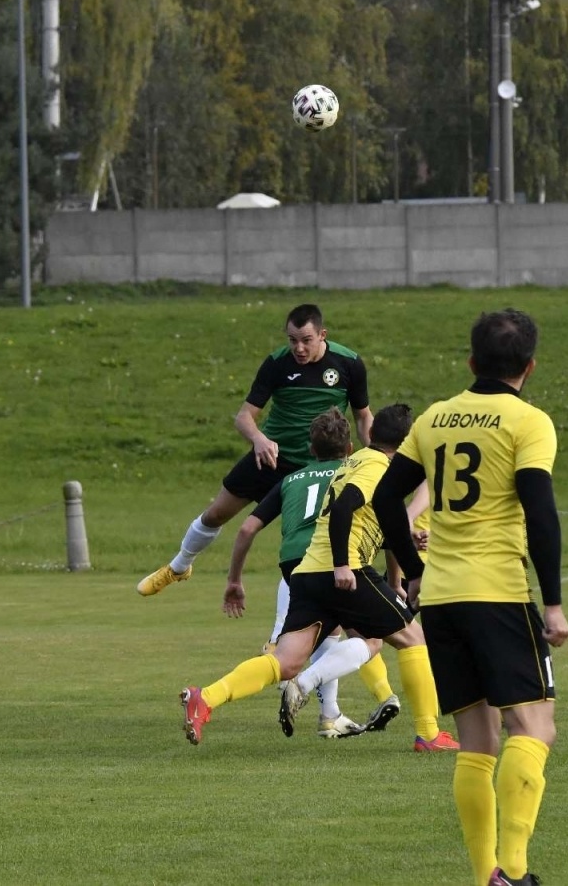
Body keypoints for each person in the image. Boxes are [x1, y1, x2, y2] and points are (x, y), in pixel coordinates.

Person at [371, 308, 568, 886]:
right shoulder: (527, 421)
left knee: (477, 741)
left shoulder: (434, 418)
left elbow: (387, 500)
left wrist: (410, 570)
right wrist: (552, 603)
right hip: (499, 594)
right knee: (534, 729)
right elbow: (541, 512)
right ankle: (514, 870)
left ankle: (486, 876)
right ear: (529, 367)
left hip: (442, 598)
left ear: (470, 362)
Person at [180, 405, 455, 752]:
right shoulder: (378, 466)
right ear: (405, 443)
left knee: (285, 661)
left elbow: (373, 520)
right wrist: (343, 564)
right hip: (343, 569)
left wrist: (405, 546)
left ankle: (205, 698)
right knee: (413, 638)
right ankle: (429, 734)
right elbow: (343, 509)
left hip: (308, 573)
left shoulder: (354, 464)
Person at [138, 304, 371, 596]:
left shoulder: (348, 363)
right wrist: (259, 439)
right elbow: (244, 417)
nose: (298, 347)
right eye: (292, 339)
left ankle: (283, 636)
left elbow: (363, 416)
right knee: (215, 515)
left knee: (304, 548)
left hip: (319, 467)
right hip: (271, 458)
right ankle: (179, 566)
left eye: (306, 340)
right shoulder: (277, 363)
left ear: (322, 335)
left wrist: (373, 455)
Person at [221, 409, 400, 738]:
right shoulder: (356, 469)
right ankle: (373, 699)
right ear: (349, 447)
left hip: (293, 566)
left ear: (310, 449)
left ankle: (329, 715)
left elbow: (247, 529)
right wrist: (396, 581)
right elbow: (386, 532)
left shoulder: (291, 479)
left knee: (325, 634)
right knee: (373, 634)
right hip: (334, 557)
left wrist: (234, 579)